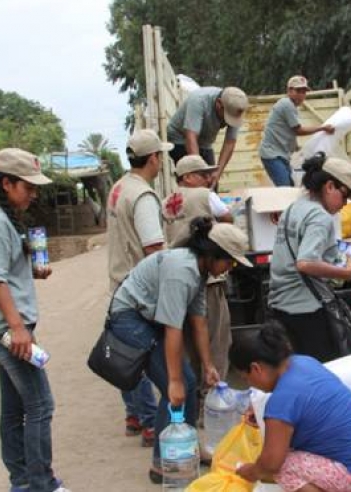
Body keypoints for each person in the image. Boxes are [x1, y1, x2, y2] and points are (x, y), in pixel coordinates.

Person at [105, 218, 252, 483]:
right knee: (177, 389)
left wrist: (208, 365)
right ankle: (162, 464)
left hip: (147, 318)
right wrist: (172, 381)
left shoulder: (199, 271)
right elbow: (173, 328)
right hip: (129, 317)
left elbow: (199, 322)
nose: (229, 269)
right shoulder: (182, 271)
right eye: (229, 261)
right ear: (212, 254)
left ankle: (189, 450)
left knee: (191, 382)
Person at [0, 148, 70, 492]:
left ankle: (23, 482)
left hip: (10, 328)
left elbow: (5, 272)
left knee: (15, 408)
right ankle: (42, 483)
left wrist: (31, 272)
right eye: (27, 186)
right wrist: (16, 327)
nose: (33, 193)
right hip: (6, 331)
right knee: (41, 405)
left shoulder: (4, 218)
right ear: (6, 183)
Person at [231, 325, 351, 491]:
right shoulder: (304, 362)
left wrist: (250, 471)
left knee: (283, 467)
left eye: (246, 378)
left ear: (256, 369)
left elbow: (271, 464)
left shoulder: (280, 402)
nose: (249, 384)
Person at [162, 155, 234, 443]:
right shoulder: (206, 195)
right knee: (217, 340)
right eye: (202, 173)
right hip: (209, 277)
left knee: (189, 344)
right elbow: (228, 219)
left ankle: (192, 404)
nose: (207, 178)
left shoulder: (167, 201)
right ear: (188, 176)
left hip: (179, 275)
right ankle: (212, 402)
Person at [106, 129, 170, 447]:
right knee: (144, 356)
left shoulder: (119, 188)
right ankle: (148, 420)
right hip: (138, 288)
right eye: (161, 156)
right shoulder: (143, 196)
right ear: (154, 158)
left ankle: (133, 414)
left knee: (125, 352)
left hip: (118, 283)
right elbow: (154, 250)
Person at [267, 153, 351, 362]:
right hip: (307, 308)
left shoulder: (293, 208)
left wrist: (342, 251)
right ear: (329, 186)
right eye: (344, 195)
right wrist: (345, 272)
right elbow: (306, 262)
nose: (345, 203)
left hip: (281, 305)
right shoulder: (320, 217)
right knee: (320, 371)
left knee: (294, 369)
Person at [259, 75, 335, 186]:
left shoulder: (289, 106)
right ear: (289, 90)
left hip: (279, 155)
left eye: (304, 92)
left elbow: (286, 130)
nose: (302, 95)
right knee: (286, 189)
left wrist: (295, 146)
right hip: (273, 154)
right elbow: (298, 130)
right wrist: (322, 128)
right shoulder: (287, 104)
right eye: (298, 91)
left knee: (290, 186)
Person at [167, 86, 249, 187]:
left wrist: (217, 173)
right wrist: (200, 171)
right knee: (193, 182)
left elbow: (230, 142)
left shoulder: (234, 108)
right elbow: (191, 137)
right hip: (180, 138)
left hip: (205, 142)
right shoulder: (199, 100)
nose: (228, 122)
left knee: (212, 183)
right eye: (227, 117)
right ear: (219, 104)